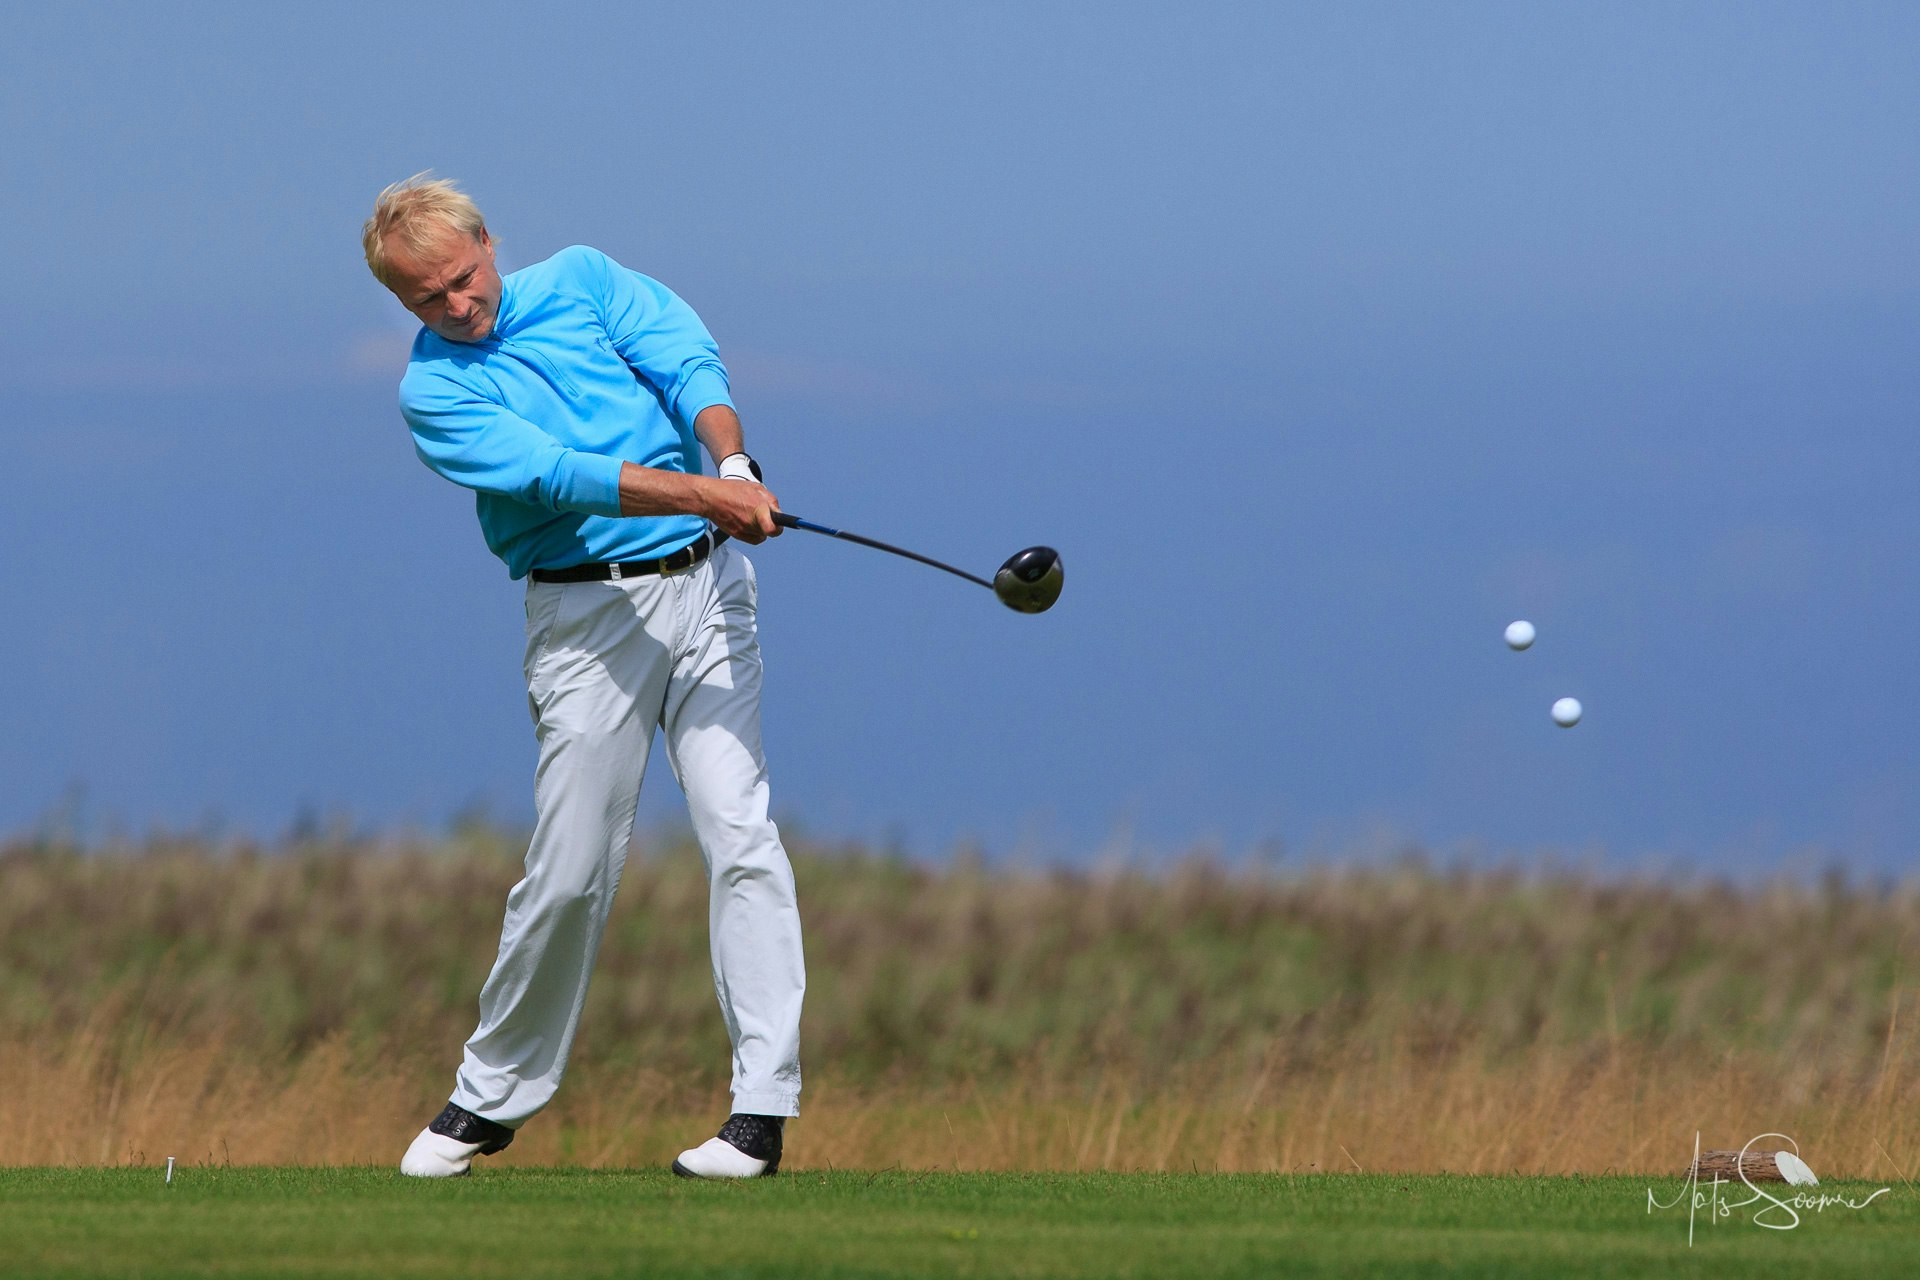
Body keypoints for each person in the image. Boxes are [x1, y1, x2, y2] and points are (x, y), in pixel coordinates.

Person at [360, 174, 805, 1179]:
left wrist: (730, 465)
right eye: (428, 299)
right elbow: (557, 473)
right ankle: (489, 1096)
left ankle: (760, 1113)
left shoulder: (585, 282)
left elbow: (684, 358)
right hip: (584, 617)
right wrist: (705, 490)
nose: (457, 307)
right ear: (403, 304)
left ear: (487, 240)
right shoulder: (435, 392)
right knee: (570, 869)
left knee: (742, 832)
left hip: (707, 589)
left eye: (463, 279)